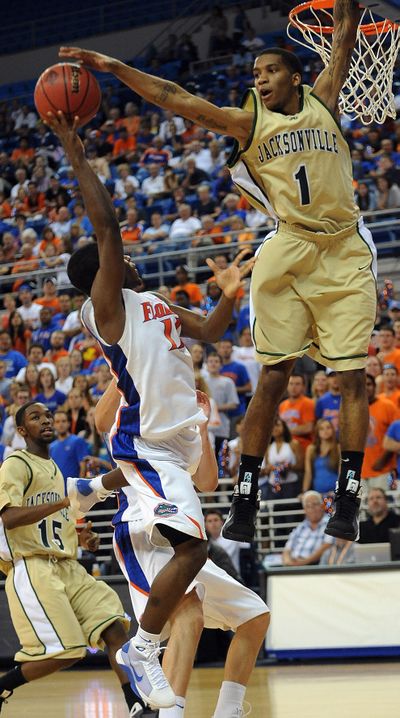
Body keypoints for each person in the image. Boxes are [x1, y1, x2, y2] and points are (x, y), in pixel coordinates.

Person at [58, 0, 374, 544]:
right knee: (274, 375)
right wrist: (114, 68)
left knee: (350, 378)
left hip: (345, 249)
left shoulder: (323, 101)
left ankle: (349, 492)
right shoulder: (249, 122)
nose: (261, 78)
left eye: (271, 70)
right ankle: (245, 498)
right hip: (290, 247)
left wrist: (349, 8)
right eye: (255, 74)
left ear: (296, 75)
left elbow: (344, 34)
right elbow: (175, 97)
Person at [44, 111, 254, 711]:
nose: (127, 255)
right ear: (103, 279)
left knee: (193, 550)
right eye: (115, 258)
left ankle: (90, 489)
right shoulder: (103, 312)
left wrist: (229, 294)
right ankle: (142, 648)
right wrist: (76, 153)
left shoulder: (156, 303)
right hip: (148, 442)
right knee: (191, 547)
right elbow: (107, 229)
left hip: (179, 444)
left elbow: (212, 329)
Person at [68, 382, 269, 718]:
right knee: (189, 615)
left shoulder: (187, 430)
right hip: (141, 530)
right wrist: (128, 364)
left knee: (255, 617)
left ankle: (228, 711)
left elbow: (206, 482)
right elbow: (101, 419)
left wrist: (203, 427)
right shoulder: (135, 413)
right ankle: (170, 712)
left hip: (182, 539)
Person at [0, 401, 149, 718]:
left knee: (114, 626)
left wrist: (82, 539)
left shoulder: (55, 471)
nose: (46, 420)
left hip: (67, 565)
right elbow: (10, 517)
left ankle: (136, 703)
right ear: (23, 431)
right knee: (67, 653)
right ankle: (3, 686)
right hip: (34, 567)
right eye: (35, 417)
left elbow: (59, 520)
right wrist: (61, 503)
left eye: (48, 415)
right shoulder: (16, 463)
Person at [361, 374, 400, 494]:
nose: (366, 387)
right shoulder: (354, 408)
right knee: (362, 511)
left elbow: (396, 436)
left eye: (369, 384)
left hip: (385, 470)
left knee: (388, 506)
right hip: (360, 472)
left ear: (375, 387)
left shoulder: (388, 406)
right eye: (363, 385)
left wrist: (382, 461)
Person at [282, 491, 335, 566]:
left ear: (322, 506)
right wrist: (288, 562)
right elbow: (287, 549)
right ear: (305, 510)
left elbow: (327, 546)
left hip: (314, 567)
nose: (311, 508)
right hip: (294, 565)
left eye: (315, 504)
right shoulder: (301, 527)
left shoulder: (330, 524)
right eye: (308, 506)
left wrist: (304, 562)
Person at [50, 409, 91, 481]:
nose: (61, 424)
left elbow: (83, 467)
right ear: (53, 425)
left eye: (63, 421)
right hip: (58, 490)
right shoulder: (51, 447)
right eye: (57, 422)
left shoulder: (77, 441)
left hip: (74, 490)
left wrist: (79, 488)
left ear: (69, 423)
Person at [303, 419, 340, 495]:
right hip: (318, 493)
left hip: (334, 493)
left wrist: (338, 491)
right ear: (317, 432)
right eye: (321, 429)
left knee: (329, 507)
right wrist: (304, 492)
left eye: (328, 427)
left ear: (333, 430)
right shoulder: (311, 449)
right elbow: (308, 473)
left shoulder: (338, 448)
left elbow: (341, 472)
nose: (325, 431)